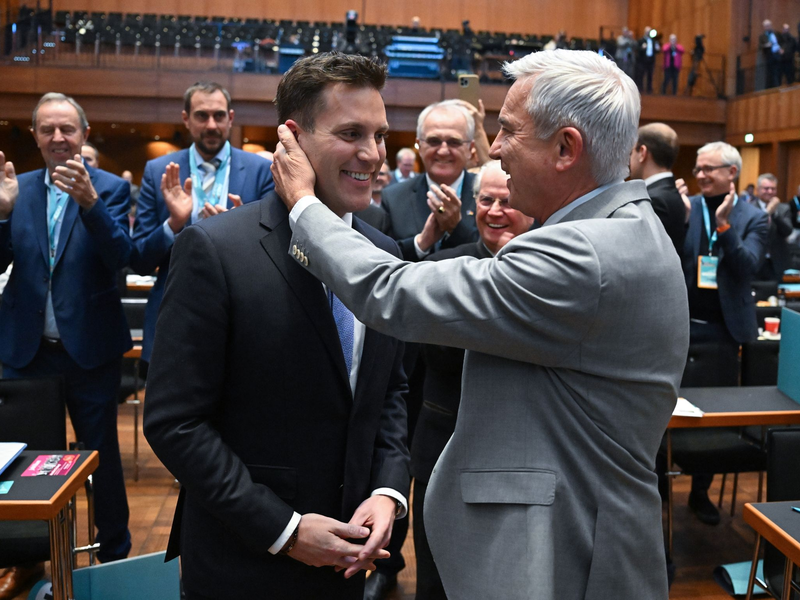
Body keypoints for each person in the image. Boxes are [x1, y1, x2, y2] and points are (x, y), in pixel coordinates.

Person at [272, 48, 689, 600]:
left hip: (566, 556)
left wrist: (302, 204)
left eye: (510, 132)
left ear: (566, 148)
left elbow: (390, 291)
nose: (494, 149)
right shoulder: (624, 229)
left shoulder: (585, 253)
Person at [143, 52, 410, 600]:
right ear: (293, 138)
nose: (373, 155)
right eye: (351, 133)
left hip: (351, 561)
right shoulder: (215, 250)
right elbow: (176, 423)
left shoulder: (385, 254)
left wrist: (387, 492)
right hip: (244, 563)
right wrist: (285, 530)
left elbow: (388, 395)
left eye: (380, 135)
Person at [0, 93, 133, 589]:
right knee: (27, 471)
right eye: (47, 129)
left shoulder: (108, 188)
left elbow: (124, 256)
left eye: (67, 129)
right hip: (26, 351)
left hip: (90, 351)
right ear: (35, 136)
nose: (58, 138)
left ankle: (115, 557)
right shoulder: (17, 188)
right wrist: (0, 214)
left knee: (103, 462)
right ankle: (28, 558)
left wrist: (91, 206)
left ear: (84, 133)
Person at [411, 160, 534, 600]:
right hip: (443, 447)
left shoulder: (551, 275)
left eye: (507, 201)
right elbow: (436, 357)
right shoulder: (444, 266)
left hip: (519, 458)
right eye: (486, 200)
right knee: (436, 582)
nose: (495, 211)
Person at [130, 82, 274, 365]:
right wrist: (174, 223)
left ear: (231, 118)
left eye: (219, 116)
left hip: (242, 317)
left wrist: (239, 230)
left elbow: (276, 255)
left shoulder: (260, 172)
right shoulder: (158, 171)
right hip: (174, 317)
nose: (211, 124)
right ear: (186, 118)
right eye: (201, 115)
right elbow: (140, 260)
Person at [676, 142, 768, 524]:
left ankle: (700, 492)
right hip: (679, 326)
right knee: (668, 411)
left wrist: (725, 226)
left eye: (709, 169)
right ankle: (662, 487)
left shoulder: (752, 216)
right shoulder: (687, 208)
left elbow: (748, 266)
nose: (700, 175)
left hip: (724, 332)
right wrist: (676, 220)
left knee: (713, 417)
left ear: (732, 173)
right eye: (698, 168)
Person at [382, 100, 479, 262]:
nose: (443, 151)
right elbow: (383, 262)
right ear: (419, 145)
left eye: (454, 142)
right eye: (434, 141)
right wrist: (421, 243)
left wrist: (456, 228)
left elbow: (495, 255)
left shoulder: (490, 194)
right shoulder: (393, 199)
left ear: (470, 148)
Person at [629, 122, 686, 255]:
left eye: (631, 153)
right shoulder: (672, 192)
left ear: (642, 153)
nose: (629, 160)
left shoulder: (652, 200)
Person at [752, 173, 792, 281]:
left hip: (776, 262)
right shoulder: (749, 208)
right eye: (766, 188)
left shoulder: (784, 208)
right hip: (755, 261)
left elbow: (788, 231)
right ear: (758, 189)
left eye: (773, 189)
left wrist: (774, 214)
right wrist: (766, 212)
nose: (770, 191)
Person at [636, 26, 659, 93]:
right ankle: (641, 89)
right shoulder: (641, 40)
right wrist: (642, 48)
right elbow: (637, 49)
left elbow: (656, 51)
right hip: (642, 60)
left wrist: (657, 49)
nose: (648, 33)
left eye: (649, 31)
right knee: (641, 75)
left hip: (651, 60)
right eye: (647, 31)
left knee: (650, 75)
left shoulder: (653, 41)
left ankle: (649, 89)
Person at [760, 20, 782, 89]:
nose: (768, 27)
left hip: (777, 55)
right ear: (764, 27)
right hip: (769, 56)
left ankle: (778, 85)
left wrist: (781, 49)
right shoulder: (762, 36)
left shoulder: (777, 33)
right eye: (766, 26)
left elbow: (781, 42)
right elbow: (761, 46)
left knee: (778, 71)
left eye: (768, 25)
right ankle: (771, 87)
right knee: (770, 72)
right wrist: (767, 45)